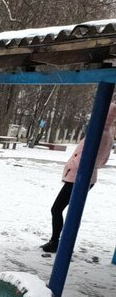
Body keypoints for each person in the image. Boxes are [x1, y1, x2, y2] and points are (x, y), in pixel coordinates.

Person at [41, 103, 116, 253]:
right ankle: (60, 242)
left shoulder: (98, 133)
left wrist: (72, 163)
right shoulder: (108, 134)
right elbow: (103, 160)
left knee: (57, 209)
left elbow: (83, 158)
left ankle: (56, 242)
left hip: (78, 177)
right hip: (88, 177)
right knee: (70, 211)